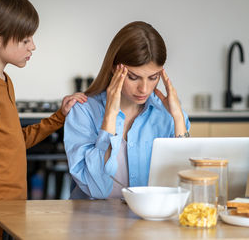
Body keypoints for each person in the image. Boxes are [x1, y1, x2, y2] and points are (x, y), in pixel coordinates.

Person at [0, 0, 87, 239]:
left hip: (11, 212)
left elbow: (15, 141)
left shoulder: (3, 81)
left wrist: (59, 117)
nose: (33, 46)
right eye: (25, 39)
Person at [64, 21, 190, 199]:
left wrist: (178, 118)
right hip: (94, 223)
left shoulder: (168, 114)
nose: (144, 89)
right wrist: (110, 117)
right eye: (133, 77)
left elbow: (185, 187)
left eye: (153, 77)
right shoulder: (83, 112)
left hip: (151, 221)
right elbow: (96, 190)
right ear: (115, 68)